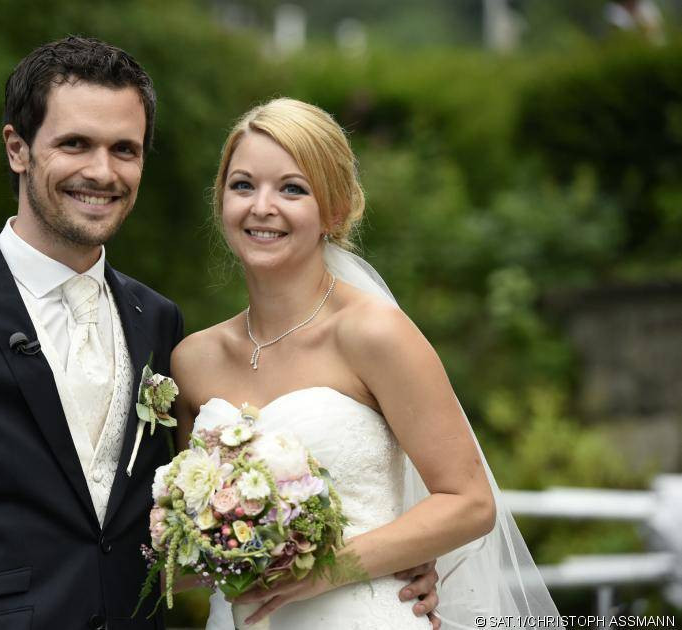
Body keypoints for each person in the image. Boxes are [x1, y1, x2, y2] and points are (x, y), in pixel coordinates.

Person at [0, 36, 442, 629]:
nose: (102, 172)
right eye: (75, 144)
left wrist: (370, 556)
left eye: (124, 149)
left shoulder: (157, 323)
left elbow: (174, 532)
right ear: (17, 148)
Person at [171, 98, 559, 629]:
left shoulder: (373, 333)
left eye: (292, 188)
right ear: (221, 203)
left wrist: (332, 568)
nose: (262, 206)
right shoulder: (193, 360)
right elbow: (181, 549)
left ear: (332, 210)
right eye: (243, 186)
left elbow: (469, 503)